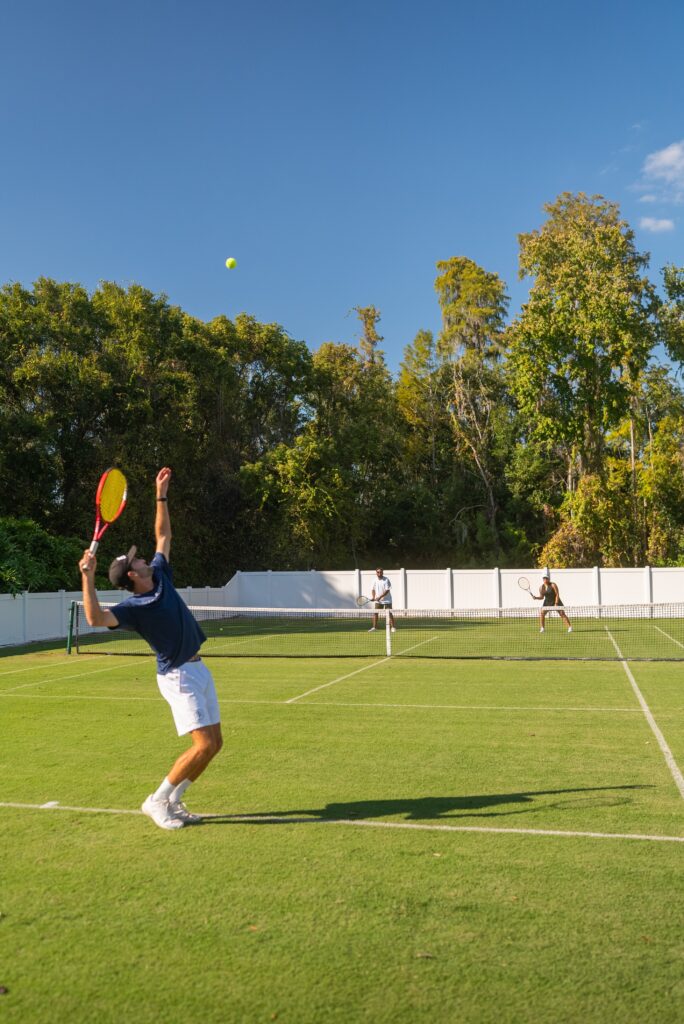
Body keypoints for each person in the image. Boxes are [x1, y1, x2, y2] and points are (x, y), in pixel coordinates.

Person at [78, 467, 222, 831]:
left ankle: (173, 802)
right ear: (132, 575)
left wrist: (161, 494)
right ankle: (156, 800)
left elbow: (163, 535)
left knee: (215, 744)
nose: (143, 557)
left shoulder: (161, 575)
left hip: (198, 668)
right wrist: (87, 575)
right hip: (178, 676)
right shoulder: (133, 610)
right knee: (202, 745)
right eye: (137, 560)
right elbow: (94, 618)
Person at [368, 567, 396, 633]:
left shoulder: (386, 580)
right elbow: (373, 589)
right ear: (376, 573)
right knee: (375, 613)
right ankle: (374, 627)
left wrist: (380, 597)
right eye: (378, 572)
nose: (379, 573)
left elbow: (387, 590)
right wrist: (373, 597)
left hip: (387, 600)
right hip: (378, 601)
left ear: (382, 572)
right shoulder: (374, 580)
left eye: (380, 572)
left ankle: (393, 627)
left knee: (389, 613)